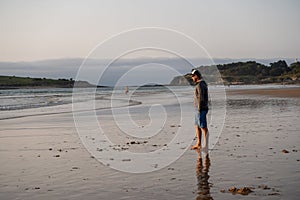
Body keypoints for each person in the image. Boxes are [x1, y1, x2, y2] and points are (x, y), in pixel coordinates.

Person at [191, 68, 209, 150]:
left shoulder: (200, 85)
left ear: (196, 76)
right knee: (197, 126)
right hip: (198, 108)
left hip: (201, 109)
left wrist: (199, 109)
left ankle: (206, 144)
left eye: (192, 76)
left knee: (203, 126)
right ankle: (199, 143)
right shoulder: (200, 84)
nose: (192, 78)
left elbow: (201, 98)